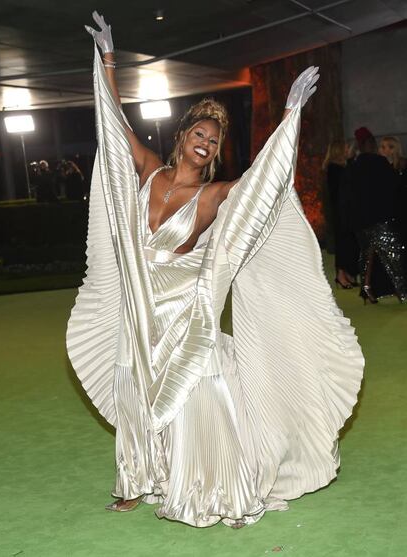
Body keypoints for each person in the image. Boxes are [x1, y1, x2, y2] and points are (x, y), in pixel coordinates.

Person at [67, 12, 364, 528]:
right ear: (183, 135)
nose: (206, 143)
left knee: (196, 396)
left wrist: (290, 115)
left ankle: (205, 482)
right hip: (139, 308)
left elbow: (262, 186)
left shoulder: (213, 194)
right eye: (199, 133)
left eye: (214, 140)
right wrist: (108, 59)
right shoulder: (148, 170)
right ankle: (138, 479)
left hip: (185, 312)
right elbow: (113, 126)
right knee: (134, 391)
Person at [345, 127, 407, 303]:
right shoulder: (379, 163)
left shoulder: (354, 166)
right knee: (395, 252)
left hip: (360, 221)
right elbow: (393, 188)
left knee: (367, 255)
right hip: (379, 218)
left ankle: (366, 289)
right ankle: (402, 291)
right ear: (371, 144)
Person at [322, 141, 359, 288]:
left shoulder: (337, 168)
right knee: (343, 243)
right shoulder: (334, 168)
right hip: (340, 212)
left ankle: (346, 273)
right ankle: (340, 274)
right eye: (345, 148)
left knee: (347, 243)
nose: (347, 150)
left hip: (343, 211)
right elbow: (342, 188)